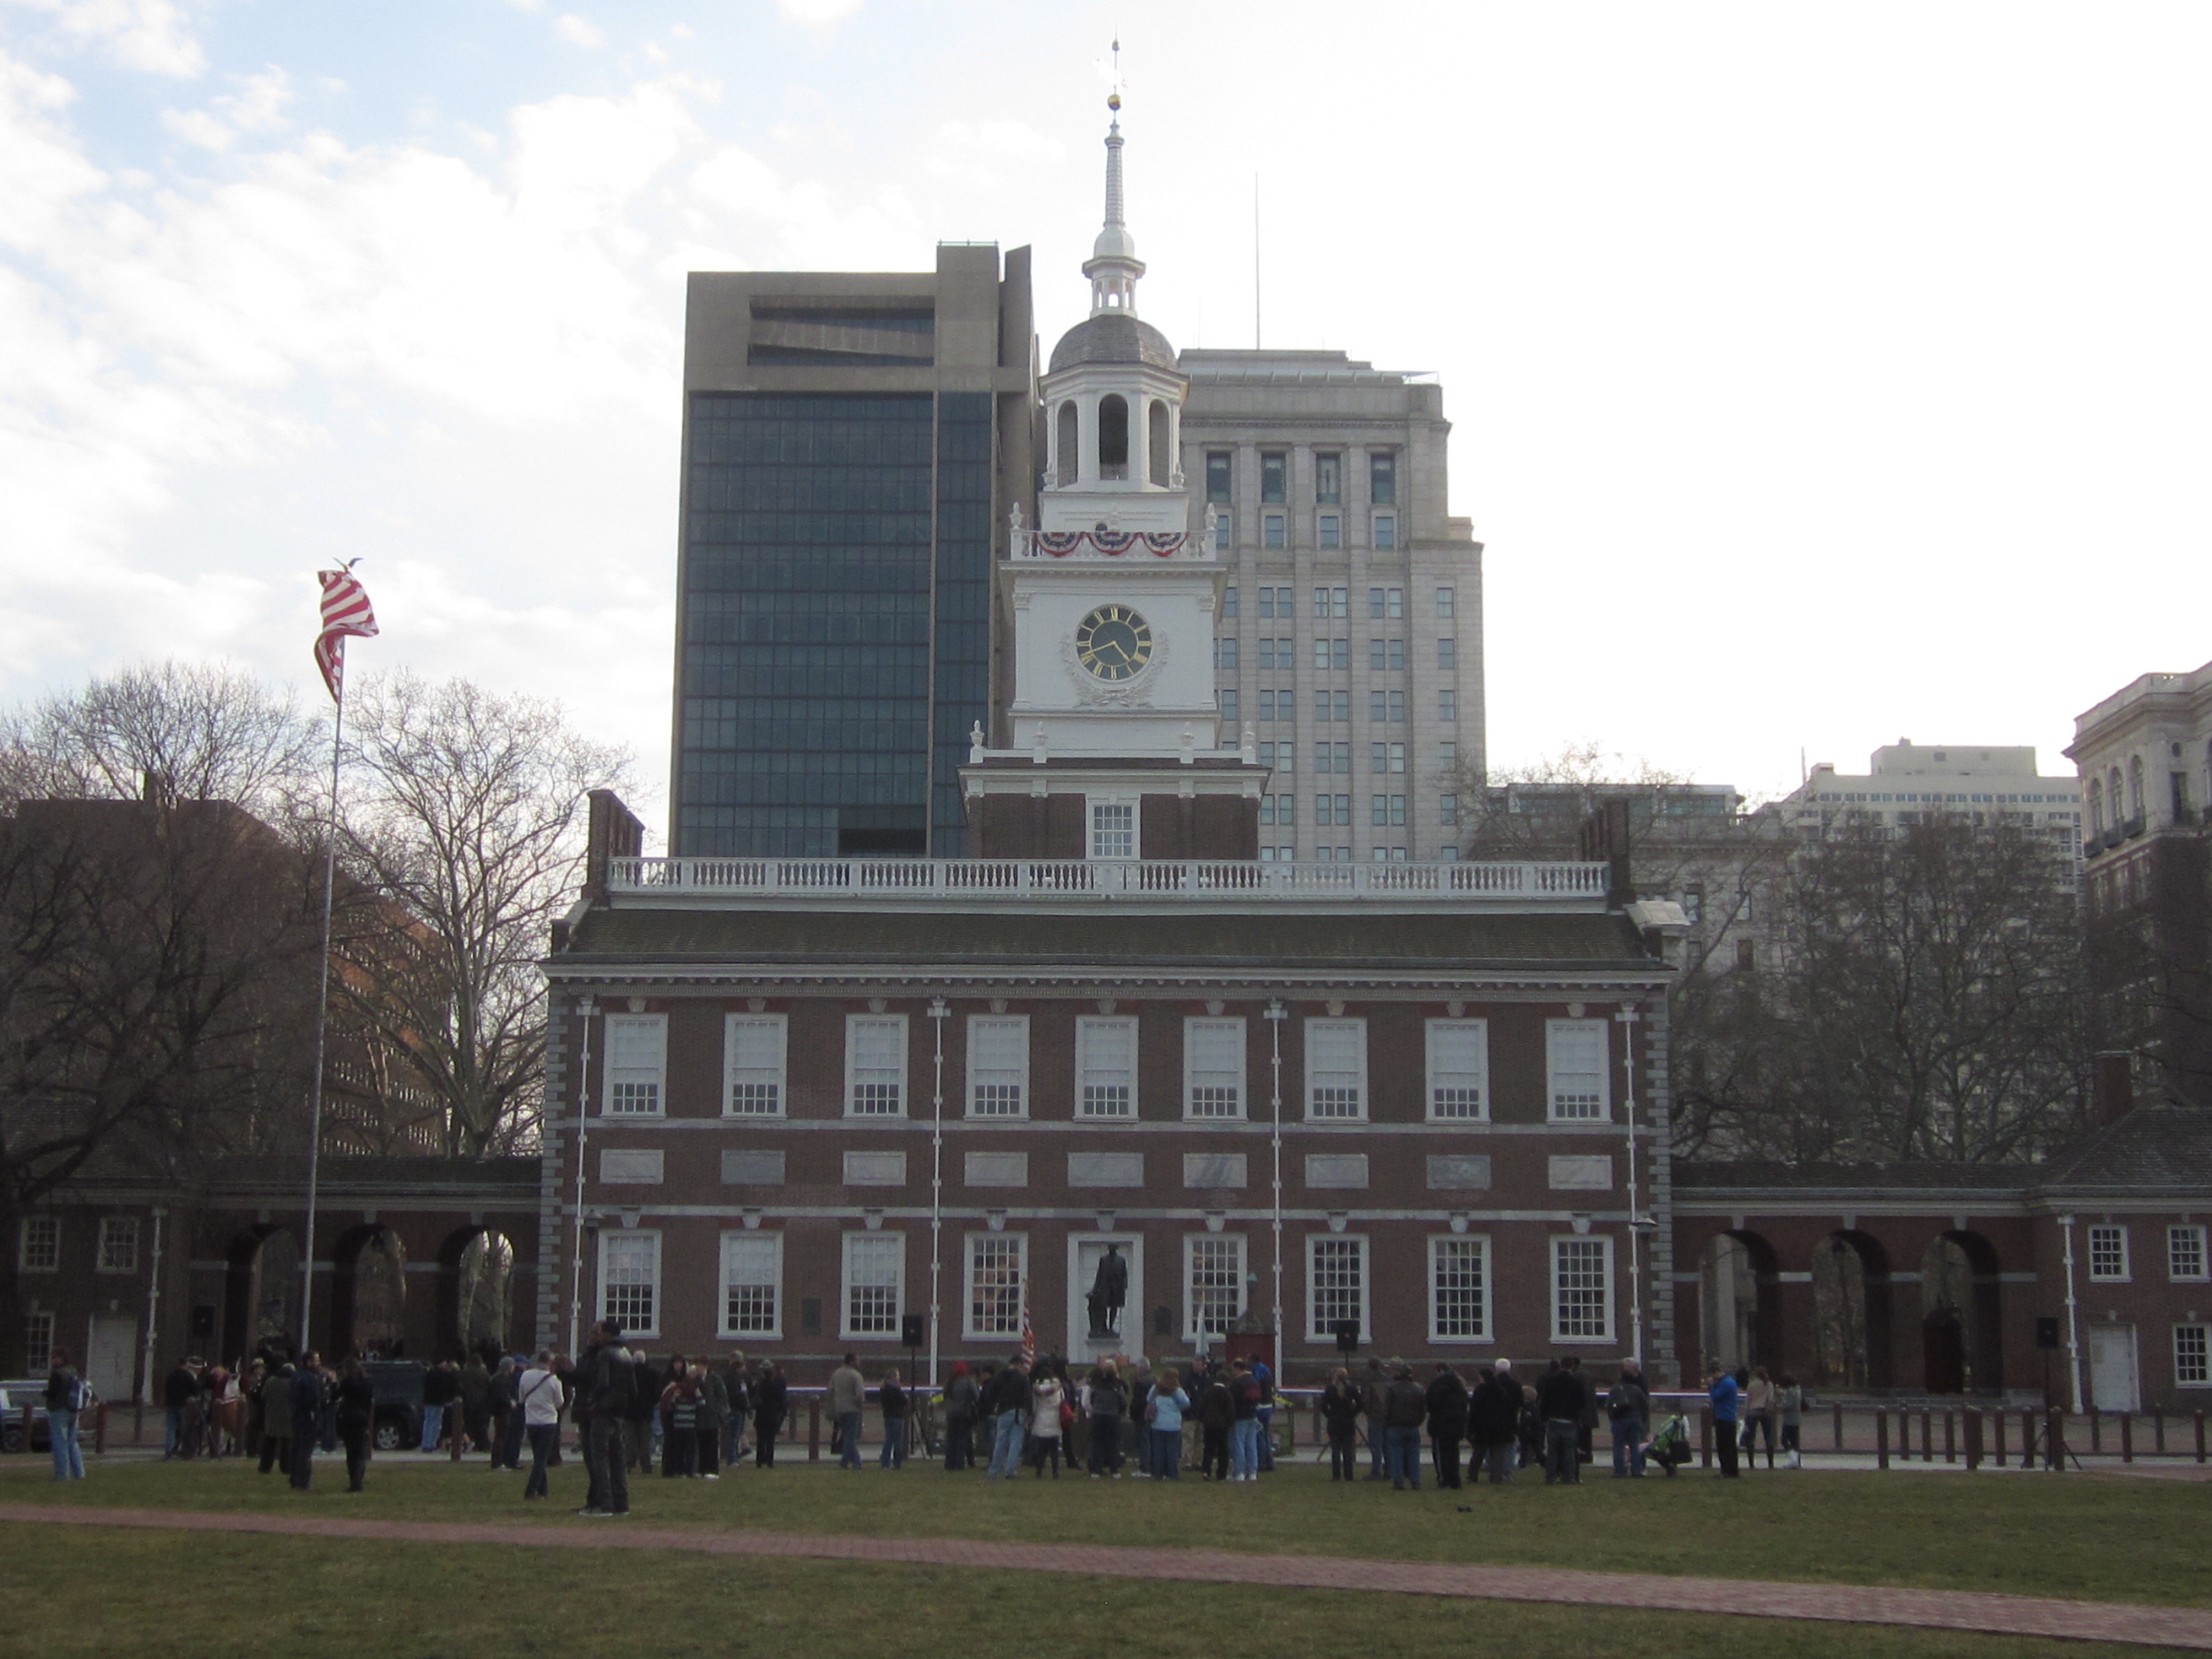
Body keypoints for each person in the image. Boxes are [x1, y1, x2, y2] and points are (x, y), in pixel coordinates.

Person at [577, 1320, 635, 1516]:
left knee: (600, 1458)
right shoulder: (626, 1354)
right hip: (620, 1411)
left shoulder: (605, 1353)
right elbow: (633, 1388)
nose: (596, 1337)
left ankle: (605, 1504)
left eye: (599, 1333)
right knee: (618, 1459)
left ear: (607, 1334)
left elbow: (603, 1382)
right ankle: (622, 1503)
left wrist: (594, 1401)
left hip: (603, 1411)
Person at [518, 1349, 566, 1500]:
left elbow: (521, 1398)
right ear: (550, 1363)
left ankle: (543, 1490)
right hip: (548, 1422)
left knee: (539, 1456)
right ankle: (531, 1490)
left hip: (531, 1420)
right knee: (541, 1459)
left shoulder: (525, 1376)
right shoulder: (553, 1380)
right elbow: (560, 1403)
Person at [1470, 1362, 1518, 1485]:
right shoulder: (1500, 1390)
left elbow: (1474, 1409)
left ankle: (1473, 1475)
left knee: (1479, 1453)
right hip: (1500, 1427)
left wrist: (1472, 1427)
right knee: (1498, 1454)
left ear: (1482, 1377)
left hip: (1483, 1427)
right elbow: (1509, 1407)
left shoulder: (1480, 1390)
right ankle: (1496, 1478)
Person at [1537, 1359, 1584, 1485]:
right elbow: (1582, 1402)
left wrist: (1544, 1418)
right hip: (1570, 1420)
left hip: (1554, 1420)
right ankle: (1568, 1478)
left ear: (1561, 1365)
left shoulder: (1551, 1381)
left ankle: (1550, 1478)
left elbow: (1544, 1400)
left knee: (1552, 1451)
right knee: (1570, 1451)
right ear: (1572, 1366)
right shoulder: (1576, 1382)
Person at [1424, 1363, 1469, 1489]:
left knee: (1441, 1454)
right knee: (1454, 1452)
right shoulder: (1459, 1386)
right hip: (1457, 1425)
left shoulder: (1436, 1385)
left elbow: (1430, 1404)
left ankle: (1444, 1480)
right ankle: (1455, 1480)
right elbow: (1464, 1405)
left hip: (1440, 1424)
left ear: (1440, 1371)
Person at [44, 1349, 87, 1481]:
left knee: (59, 1443)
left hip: (59, 1410)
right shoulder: (73, 1371)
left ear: (62, 1359)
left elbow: (53, 1393)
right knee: (72, 1443)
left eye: (55, 1358)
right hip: (74, 1410)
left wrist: (45, 1394)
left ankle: (62, 1475)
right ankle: (79, 1473)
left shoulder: (57, 1374)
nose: (52, 1361)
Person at [1383, 1363, 1427, 1490]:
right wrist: (1418, 1422)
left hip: (1396, 1426)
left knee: (1396, 1454)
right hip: (1413, 1427)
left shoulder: (1393, 1389)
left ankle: (1398, 1481)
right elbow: (1423, 1410)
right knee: (1414, 1454)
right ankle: (1415, 1481)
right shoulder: (1418, 1389)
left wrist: (1387, 1424)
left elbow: (1387, 1410)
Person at [984, 1355, 1029, 1480]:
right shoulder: (1022, 1378)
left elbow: (990, 1392)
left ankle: (994, 1470)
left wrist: (994, 1406)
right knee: (1015, 1442)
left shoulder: (1000, 1377)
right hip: (1018, 1411)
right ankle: (1010, 1470)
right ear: (1019, 1364)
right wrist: (1029, 1412)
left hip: (1003, 1411)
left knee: (1000, 1442)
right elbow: (1028, 1396)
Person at [335, 1358, 375, 1493]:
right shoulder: (367, 1383)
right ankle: (359, 1480)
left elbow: (335, 1396)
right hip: (362, 1418)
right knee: (360, 1451)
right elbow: (369, 1404)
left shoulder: (347, 1382)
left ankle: (354, 1482)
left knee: (351, 1452)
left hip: (349, 1417)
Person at [288, 1354, 327, 1491]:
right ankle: (303, 1480)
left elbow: (292, 1396)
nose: (319, 1363)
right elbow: (316, 1398)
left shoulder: (296, 1376)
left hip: (297, 1415)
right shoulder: (311, 1378)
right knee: (306, 1449)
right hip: (308, 1415)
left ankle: (294, 1479)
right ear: (309, 1362)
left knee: (297, 1447)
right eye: (317, 1360)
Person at [1606, 1359, 1651, 1479]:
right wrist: (1642, 1419)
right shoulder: (1637, 1389)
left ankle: (1619, 1471)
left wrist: (1612, 1417)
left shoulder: (1616, 1389)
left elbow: (1609, 1405)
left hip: (1619, 1420)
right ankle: (1636, 1471)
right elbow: (1645, 1405)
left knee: (1619, 1447)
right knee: (1635, 1446)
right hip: (1635, 1419)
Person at [1082, 1359, 1127, 1478]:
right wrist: (1121, 1411)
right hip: (1113, 1416)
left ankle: (1096, 1470)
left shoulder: (1097, 1385)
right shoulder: (1118, 1386)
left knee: (1097, 1443)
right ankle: (1115, 1470)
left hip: (1098, 1416)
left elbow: (1092, 1399)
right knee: (1114, 1444)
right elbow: (1123, 1402)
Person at [660, 1357, 704, 1478]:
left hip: (678, 1423)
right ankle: (689, 1471)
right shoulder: (695, 1390)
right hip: (690, 1423)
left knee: (679, 1450)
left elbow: (672, 1404)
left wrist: (675, 1398)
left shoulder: (678, 1388)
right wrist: (698, 1394)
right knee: (690, 1450)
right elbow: (701, 1404)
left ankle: (679, 1471)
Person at [1144, 1366, 1188, 1480]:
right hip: (1173, 1424)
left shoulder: (1156, 1388)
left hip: (1158, 1423)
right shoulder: (1177, 1391)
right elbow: (1186, 1404)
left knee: (1158, 1450)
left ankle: (1158, 1474)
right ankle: (1173, 1474)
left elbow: (1149, 1399)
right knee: (1172, 1451)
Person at [1321, 1366, 1362, 1481]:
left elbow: (1323, 1406)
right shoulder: (1352, 1389)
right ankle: (1349, 1475)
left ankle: (1336, 1475)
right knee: (1348, 1450)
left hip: (1334, 1422)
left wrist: (1330, 1415)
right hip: (1348, 1422)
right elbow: (1361, 1403)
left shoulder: (1330, 1389)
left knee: (1336, 1450)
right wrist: (1352, 1413)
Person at [1196, 1362, 1233, 1482]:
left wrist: (1203, 1420)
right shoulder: (1227, 1394)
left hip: (1209, 1424)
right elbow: (1231, 1411)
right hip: (1222, 1426)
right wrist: (1230, 1423)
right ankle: (1221, 1474)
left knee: (1208, 1449)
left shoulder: (1208, 1392)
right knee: (1223, 1450)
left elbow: (1201, 1408)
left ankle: (1206, 1471)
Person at [829, 1353, 866, 1471]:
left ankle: (845, 1462)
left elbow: (830, 1390)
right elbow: (860, 1395)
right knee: (851, 1437)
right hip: (852, 1409)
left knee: (847, 1436)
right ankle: (856, 1462)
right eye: (857, 1360)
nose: (859, 1362)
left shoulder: (837, 1374)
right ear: (852, 1362)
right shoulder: (856, 1376)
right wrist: (858, 1404)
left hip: (840, 1408)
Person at [1228, 1359, 1262, 1483]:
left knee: (1239, 1445)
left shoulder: (1237, 1383)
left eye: (1233, 1369)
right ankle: (1253, 1472)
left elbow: (1231, 1400)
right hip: (1252, 1416)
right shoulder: (1254, 1381)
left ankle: (1239, 1473)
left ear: (1238, 1368)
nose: (1233, 1372)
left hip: (1240, 1417)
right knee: (1252, 1445)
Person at [1027, 1365, 1065, 1478]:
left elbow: (1034, 1406)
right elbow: (1063, 1400)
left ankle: (1039, 1472)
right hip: (1055, 1417)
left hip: (1041, 1418)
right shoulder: (1058, 1387)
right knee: (1054, 1449)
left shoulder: (1036, 1388)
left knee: (1042, 1449)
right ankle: (1055, 1472)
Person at [258, 1364, 294, 1476]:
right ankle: (286, 1467)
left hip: (272, 1415)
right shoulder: (292, 1383)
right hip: (287, 1416)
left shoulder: (271, 1381)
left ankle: (265, 1467)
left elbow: (263, 1396)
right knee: (287, 1444)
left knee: (269, 1442)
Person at [942, 1361, 979, 1472]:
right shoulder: (969, 1382)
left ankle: (949, 1464)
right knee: (962, 1440)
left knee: (951, 1440)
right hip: (964, 1414)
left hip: (951, 1414)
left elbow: (944, 1396)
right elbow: (976, 1396)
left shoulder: (950, 1382)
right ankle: (959, 1465)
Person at [1708, 1358, 1741, 1479]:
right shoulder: (1731, 1382)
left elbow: (1715, 1397)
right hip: (1730, 1417)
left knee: (1724, 1446)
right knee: (1731, 1446)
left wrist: (1711, 1386)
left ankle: (1726, 1470)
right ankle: (1733, 1470)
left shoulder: (1725, 1384)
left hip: (1724, 1417)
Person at [752, 1360, 787, 1468]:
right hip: (772, 1416)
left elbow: (754, 1397)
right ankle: (770, 1461)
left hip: (761, 1415)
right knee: (771, 1440)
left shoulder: (759, 1385)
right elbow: (782, 1400)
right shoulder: (775, 1386)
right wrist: (783, 1411)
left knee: (761, 1440)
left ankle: (759, 1461)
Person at [162, 1358, 199, 1459]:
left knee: (171, 1428)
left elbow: (166, 1388)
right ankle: (186, 1449)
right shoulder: (188, 1376)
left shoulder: (171, 1375)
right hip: (183, 1404)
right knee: (184, 1428)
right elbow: (195, 1390)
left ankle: (169, 1451)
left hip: (171, 1403)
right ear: (186, 1365)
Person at [697, 1356, 728, 1480]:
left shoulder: (715, 1379)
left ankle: (713, 1470)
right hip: (700, 1418)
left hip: (712, 1418)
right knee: (701, 1445)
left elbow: (723, 1396)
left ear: (705, 1366)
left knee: (712, 1444)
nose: (698, 1368)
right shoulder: (696, 1380)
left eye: (700, 1366)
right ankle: (702, 1470)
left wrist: (716, 1409)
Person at [1360, 1358, 1391, 1481]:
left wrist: (1367, 1411)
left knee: (1376, 1445)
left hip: (1374, 1415)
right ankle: (1389, 1471)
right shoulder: (1388, 1379)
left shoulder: (1367, 1380)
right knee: (1387, 1444)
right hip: (1387, 1415)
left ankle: (1376, 1472)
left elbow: (1366, 1399)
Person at [1740, 1365, 1777, 1469]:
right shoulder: (1769, 1384)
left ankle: (1751, 1463)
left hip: (1753, 1411)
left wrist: (1745, 1414)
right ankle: (1771, 1463)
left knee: (1751, 1438)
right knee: (1769, 1437)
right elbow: (1771, 1399)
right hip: (1765, 1411)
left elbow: (1748, 1401)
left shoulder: (1752, 1385)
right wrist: (1769, 1410)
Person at [419, 1358, 456, 1453]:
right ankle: (432, 1445)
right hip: (437, 1402)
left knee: (427, 1422)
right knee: (436, 1424)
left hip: (428, 1401)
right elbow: (444, 1387)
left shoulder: (429, 1373)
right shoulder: (441, 1374)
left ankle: (426, 1444)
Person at [878, 1369, 909, 1469]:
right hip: (897, 1417)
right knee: (898, 1442)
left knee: (889, 1440)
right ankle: (897, 1463)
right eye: (898, 1376)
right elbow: (904, 1401)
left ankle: (885, 1462)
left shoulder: (884, 1389)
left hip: (887, 1416)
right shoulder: (896, 1390)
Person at [1777, 1372, 1804, 1469]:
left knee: (1784, 1440)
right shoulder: (1798, 1390)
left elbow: (1788, 1405)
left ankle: (1794, 1461)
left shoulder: (1790, 1391)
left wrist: (1779, 1406)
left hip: (1789, 1419)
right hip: (1797, 1418)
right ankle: (1797, 1461)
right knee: (1795, 1442)